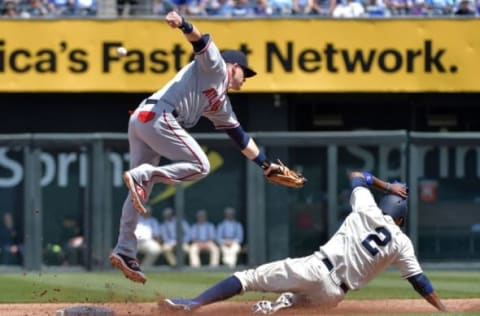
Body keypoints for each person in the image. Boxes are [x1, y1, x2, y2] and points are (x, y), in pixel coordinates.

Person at [109, 10, 282, 283]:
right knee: (201, 165)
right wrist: (183, 24)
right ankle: (143, 175)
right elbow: (199, 42)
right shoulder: (215, 67)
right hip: (161, 116)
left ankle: (125, 249)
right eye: (245, 72)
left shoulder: (221, 103)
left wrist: (264, 163)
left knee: (139, 193)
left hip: (144, 119)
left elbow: (239, 136)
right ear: (233, 66)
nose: (245, 78)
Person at [163, 171, 448, 314]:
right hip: (333, 296)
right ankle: (277, 306)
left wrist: (388, 186)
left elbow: (356, 177)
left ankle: (194, 303)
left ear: (385, 206)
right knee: (292, 305)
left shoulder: (367, 208)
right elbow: (420, 282)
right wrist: (443, 310)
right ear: (401, 219)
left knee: (248, 277)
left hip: (317, 269)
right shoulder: (402, 243)